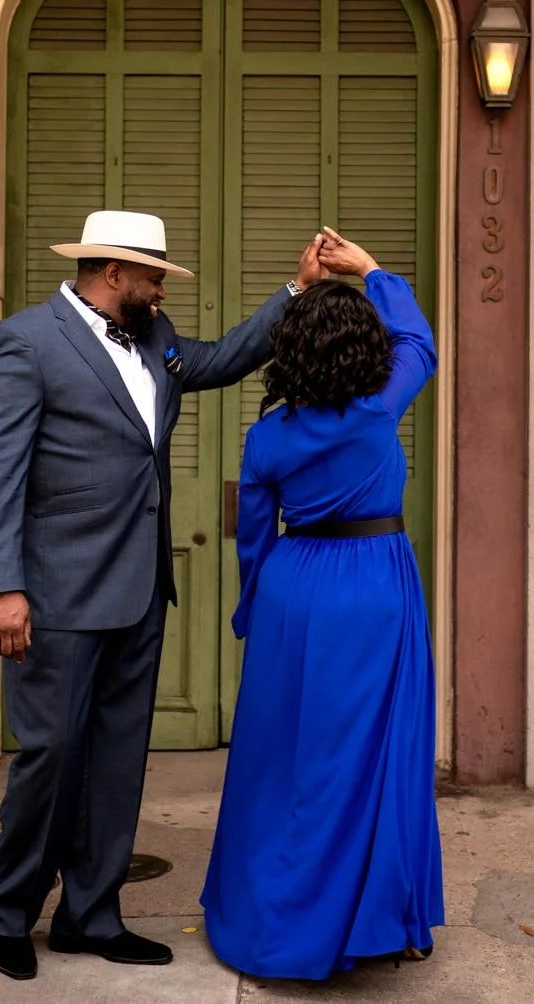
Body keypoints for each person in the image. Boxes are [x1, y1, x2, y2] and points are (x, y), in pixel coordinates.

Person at [0, 209, 329, 982]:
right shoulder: (22, 343)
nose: (163, 291)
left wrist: (296, 290)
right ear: (113, 273)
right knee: (51, 758)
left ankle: (91, 916)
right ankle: (8, 912)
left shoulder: (156, 341)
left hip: (138, 592)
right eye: (155, 276)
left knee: (119, 762)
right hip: (54, 595)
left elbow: (225, 358)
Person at [200, 227, 443, 980]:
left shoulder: (267, 436)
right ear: (360, 351)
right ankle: (380, 919)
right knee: (376, 758)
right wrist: (370, 270)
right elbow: (420, 342)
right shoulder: (379, 407)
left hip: (293, 588)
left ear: (289, 354)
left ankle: (276, 919)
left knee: (282, 760)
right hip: (373, 583)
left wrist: (256, 610)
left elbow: (252, 537)